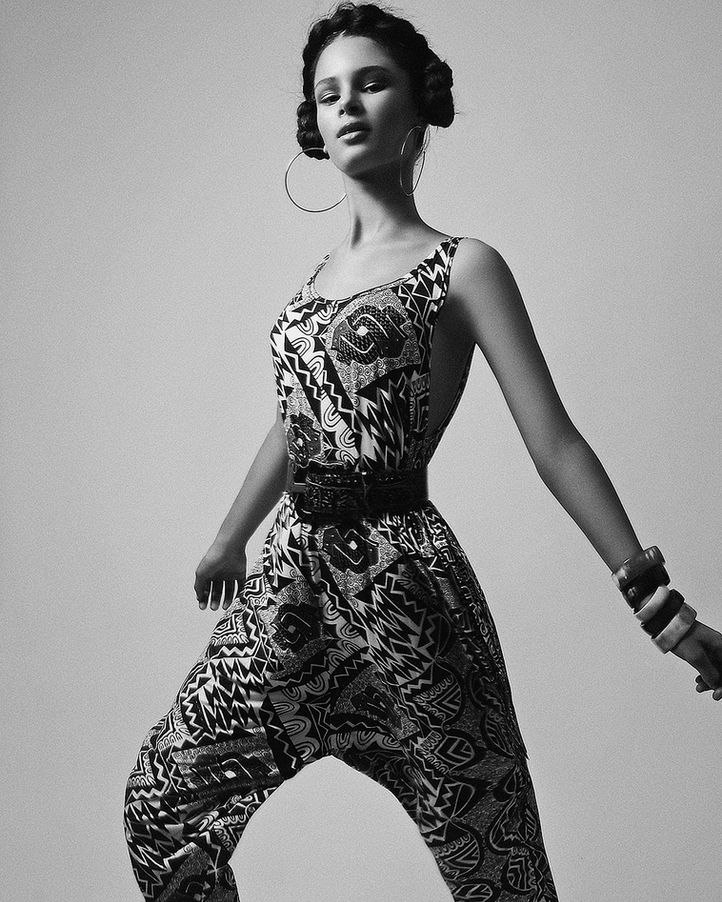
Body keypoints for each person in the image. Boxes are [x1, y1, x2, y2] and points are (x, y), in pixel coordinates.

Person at [122, 3, 722, 900]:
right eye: (328, 93)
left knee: (497, 868)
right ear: (313, 123)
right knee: (161, 807)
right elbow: (297, 421)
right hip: (292, 583)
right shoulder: (313, 286)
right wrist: (229, 536)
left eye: (371, 83)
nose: (347, 105)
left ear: (417, 104)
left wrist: (661, 610)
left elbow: (555, 442)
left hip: (404, 587)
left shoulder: (463, 266)